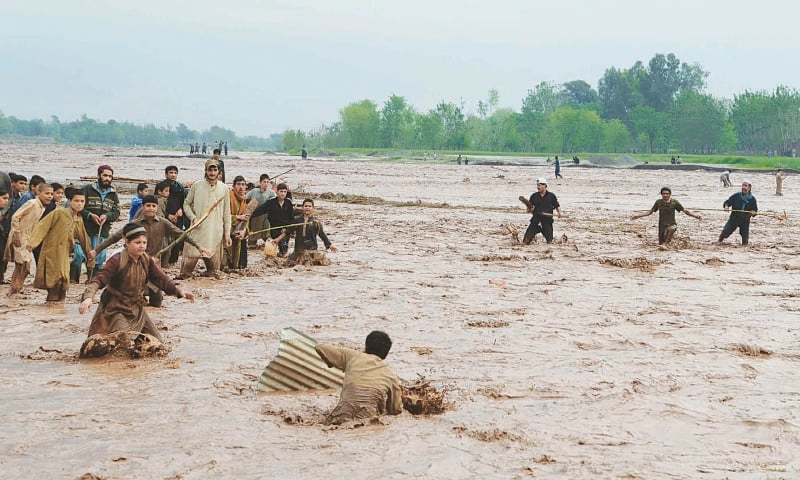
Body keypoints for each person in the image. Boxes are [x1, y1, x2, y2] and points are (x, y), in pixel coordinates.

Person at [78, 223, 196, 358]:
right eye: (137, 242)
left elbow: (161, 279)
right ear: (127, 242)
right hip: (115, 309)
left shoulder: (146, 260)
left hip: (137, 308)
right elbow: (98, 280)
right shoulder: (116, 260)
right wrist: (88, 298)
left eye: (144, 242)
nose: (142, 246)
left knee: (158, 347)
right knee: (123, 346)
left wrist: (179, 292)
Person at [90, 195, 211, 305]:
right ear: (143, 207)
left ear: (157, 208)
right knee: (134, 296)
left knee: (157, 300)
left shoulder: (163, 223)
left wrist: (199, 246)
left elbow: (181, 234)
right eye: (148, 206)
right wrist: (96, 251)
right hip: (135, 263)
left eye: (154, 206)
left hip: (153, 264)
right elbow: (115, 237)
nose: (151, 209)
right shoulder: (135, 224)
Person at [315, 331, 403, 425]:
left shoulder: (352, 356)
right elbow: (396, 410)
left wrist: (330, 363)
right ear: (386, 353)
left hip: (341, 414)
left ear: (366, 346)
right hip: (368, 419)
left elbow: (320, 347)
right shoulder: (390, 375)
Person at [27, 189, 94, 305]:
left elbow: (83, 238)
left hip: (64, 254)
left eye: (82, 201)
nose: (79, 204)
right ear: (70, 201)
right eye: (76, 201)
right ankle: (50, 309)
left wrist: (90, 254)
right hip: (52, 252)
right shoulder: (59, 213)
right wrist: (32, 243)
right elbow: (42, 225)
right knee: (54, 283)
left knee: (64, 283)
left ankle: (59, 310)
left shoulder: (78, 219)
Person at [179, 158, 232, 279]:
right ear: (205, 171)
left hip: (215, 234)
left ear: (219, 172)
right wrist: (193, 218)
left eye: (215, 170)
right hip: (197, 231)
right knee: (185, 274)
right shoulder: (197, 186)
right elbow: (186, 204)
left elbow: (227, 213)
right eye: (210, 170)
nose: (212, 173)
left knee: (213, 275)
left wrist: (227, 234)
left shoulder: (224, 189)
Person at [71, 165, 121, 282]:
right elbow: (78, 207)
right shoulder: (87, 189)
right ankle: (73, 280)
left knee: (99, 257)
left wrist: (107, 216)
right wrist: (90, 215)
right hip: (85, 229)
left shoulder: (113, 194)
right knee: (79, 255)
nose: (107, 178)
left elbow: (117, 212)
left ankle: (93, 280)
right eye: (105, 175)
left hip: (102, 231)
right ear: (99, 176)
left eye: (110, 176)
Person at [4, 183, 54, 295]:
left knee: (20, 264)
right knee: (25, 263)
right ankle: (16, 287)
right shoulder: (32, 203)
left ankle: (15, 288)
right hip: (19, 236)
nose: (49, 196)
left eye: (51, 194)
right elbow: (16, 216)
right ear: (38, 193)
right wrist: (16, 233)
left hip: (28, 237)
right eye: (46, 193)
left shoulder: (42, 207)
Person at [630, 187, 702, 246]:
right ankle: (670, 245)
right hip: (662, 225)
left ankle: (666, 244)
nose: (665, 195)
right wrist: (638, 216)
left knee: (670, 230)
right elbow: (650, 212)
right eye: (663, 194)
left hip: (671, 224)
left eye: (667, 194)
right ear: (661, 194)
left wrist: (695, 216)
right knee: (661, 243)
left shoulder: (674, 202)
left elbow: (685, 211)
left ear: (670, 194)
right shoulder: (658, 202)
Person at [277, 198, 337, 265]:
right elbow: (287, 232)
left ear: (313, 208)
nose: (307, 208)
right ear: (302, 208)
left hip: (311, 250)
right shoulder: (297, 221)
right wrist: (276, 240)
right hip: (298, 250)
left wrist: (329, 245)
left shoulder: (316, 222)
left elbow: (322, 234)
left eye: (309, 206)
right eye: (305, 206)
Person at [251, 183, 294, 256]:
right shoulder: (271, 202)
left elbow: (291, 218)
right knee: (272, 251)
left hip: (285, 230)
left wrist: (288, 229)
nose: (283, 194)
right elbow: (260, 210)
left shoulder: (288, 203)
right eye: (281, 191)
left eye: (285, 192)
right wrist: (250, 215)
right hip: (274, 229)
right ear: (277, 192)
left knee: (283, 250)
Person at [523, 177, 563, 245]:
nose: (538, 187)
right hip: (536, 221)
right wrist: (530, 210)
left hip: (547, 222)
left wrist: (560, 213)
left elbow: (557, 205)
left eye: (539, 185)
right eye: (537, 185)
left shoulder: (551, 196)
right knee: (525, 241)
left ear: (545, 185)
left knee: (550, 242)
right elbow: (528, 209)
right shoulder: (534, 196)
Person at [717, 180, 758, 246]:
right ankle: (719, 241)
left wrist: (753, 213)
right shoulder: (736, 196)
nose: (743, 187)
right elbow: (727, 202)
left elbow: (755, 211)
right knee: (725, 232)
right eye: (743, 185)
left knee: (745, 236)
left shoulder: (752, 199)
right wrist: (726, 206)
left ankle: (744, 247)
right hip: (734, 218)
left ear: (749, 188)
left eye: (745, 186)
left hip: (745, 220)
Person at [164, 166, 189, 265]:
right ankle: (165, 260)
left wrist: (181, 210)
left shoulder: (180, 188)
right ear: (166, 174)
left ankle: (173, 260)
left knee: (177, 238)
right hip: (166, 216)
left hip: (178, 217)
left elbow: (186, 201)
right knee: (165, 239)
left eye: (175, 173)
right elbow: (158, 203)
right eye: (171, 172)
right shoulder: (162, 187)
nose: (173, 175)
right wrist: (168, 215)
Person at [225, 176, 250, 270]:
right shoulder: (228, 196)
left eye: (243, 185)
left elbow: (247, 219)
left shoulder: (244, 200)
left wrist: (244, 230)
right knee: (224, 264)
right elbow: (222, 215)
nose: (241, 187)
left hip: (239, 231)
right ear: (233, 186)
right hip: (227, 231)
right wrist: (237, 217)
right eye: (238, 184)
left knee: (242, 266)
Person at [246, 174, 276, 248]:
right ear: (260, 182)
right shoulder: (254, 191)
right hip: (255, 215)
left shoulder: (270, 192)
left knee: (266, 233)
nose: (266, 184)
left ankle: (269, 243)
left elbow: (275, 201)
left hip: (265, 216)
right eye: (264, 182)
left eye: (267, 182)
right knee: (253, 235)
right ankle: (252, 243)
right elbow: (246, 198)